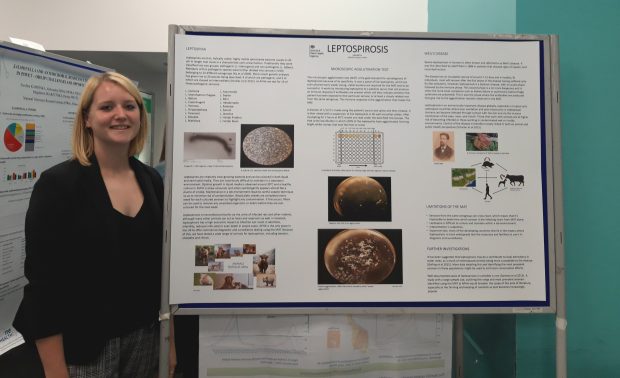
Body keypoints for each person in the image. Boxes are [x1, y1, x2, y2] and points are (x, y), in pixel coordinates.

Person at [13, 72, 175, 377]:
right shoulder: (59, 185)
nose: (120, 115)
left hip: (146, 339)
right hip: (85, 349)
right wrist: (55, 370)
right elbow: (43, 287)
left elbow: (160, 273)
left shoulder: (151, 179)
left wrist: (170, 344)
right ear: (87, 118)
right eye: (107, 107)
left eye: (130, 106)